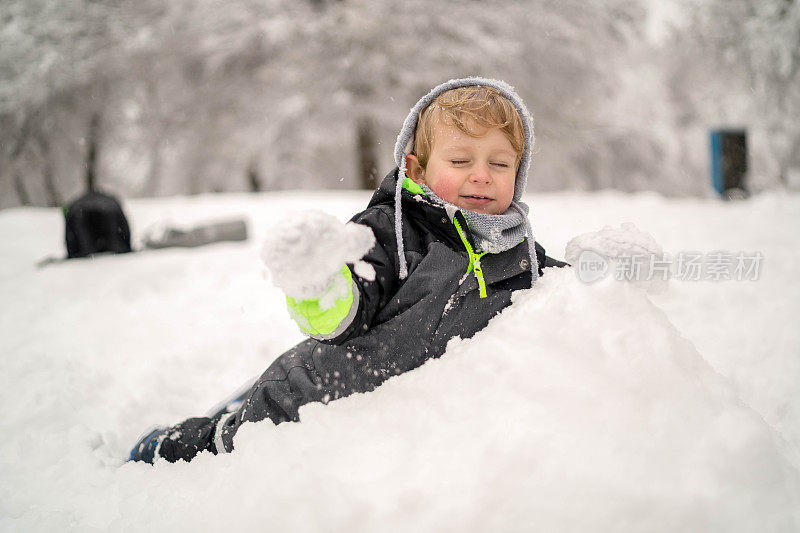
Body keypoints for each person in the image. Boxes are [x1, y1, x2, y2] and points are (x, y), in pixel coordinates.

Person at [129, 77, 567, 464]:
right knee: (229, 441)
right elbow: (345, 312)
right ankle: (161, 445)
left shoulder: (518, 252)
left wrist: (608, 281)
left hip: (388, 419)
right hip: (312, 394)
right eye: (460, 161)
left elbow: (572, 297)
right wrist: (319, 285)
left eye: (499, 163)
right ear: (417, 168)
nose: (482, 176)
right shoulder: (391, 231)